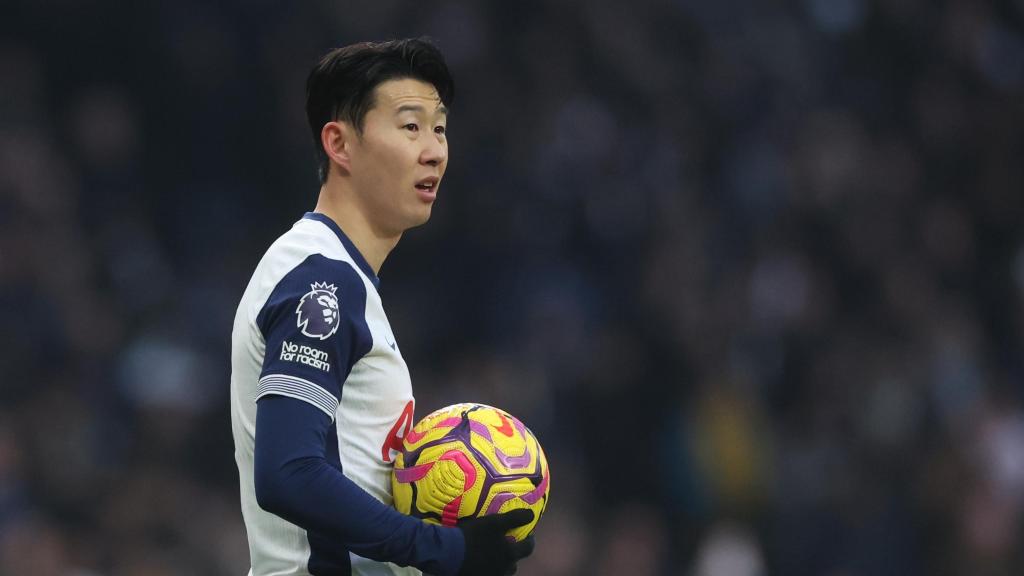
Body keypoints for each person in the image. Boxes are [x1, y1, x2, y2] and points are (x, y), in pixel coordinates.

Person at [230, 38, 535, 576]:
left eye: (439, 128)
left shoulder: (339, 276)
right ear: (339, 144)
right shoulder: (320, 280)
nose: (435, 150)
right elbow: (288, 472)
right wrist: (448, 551)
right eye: (410, 126)